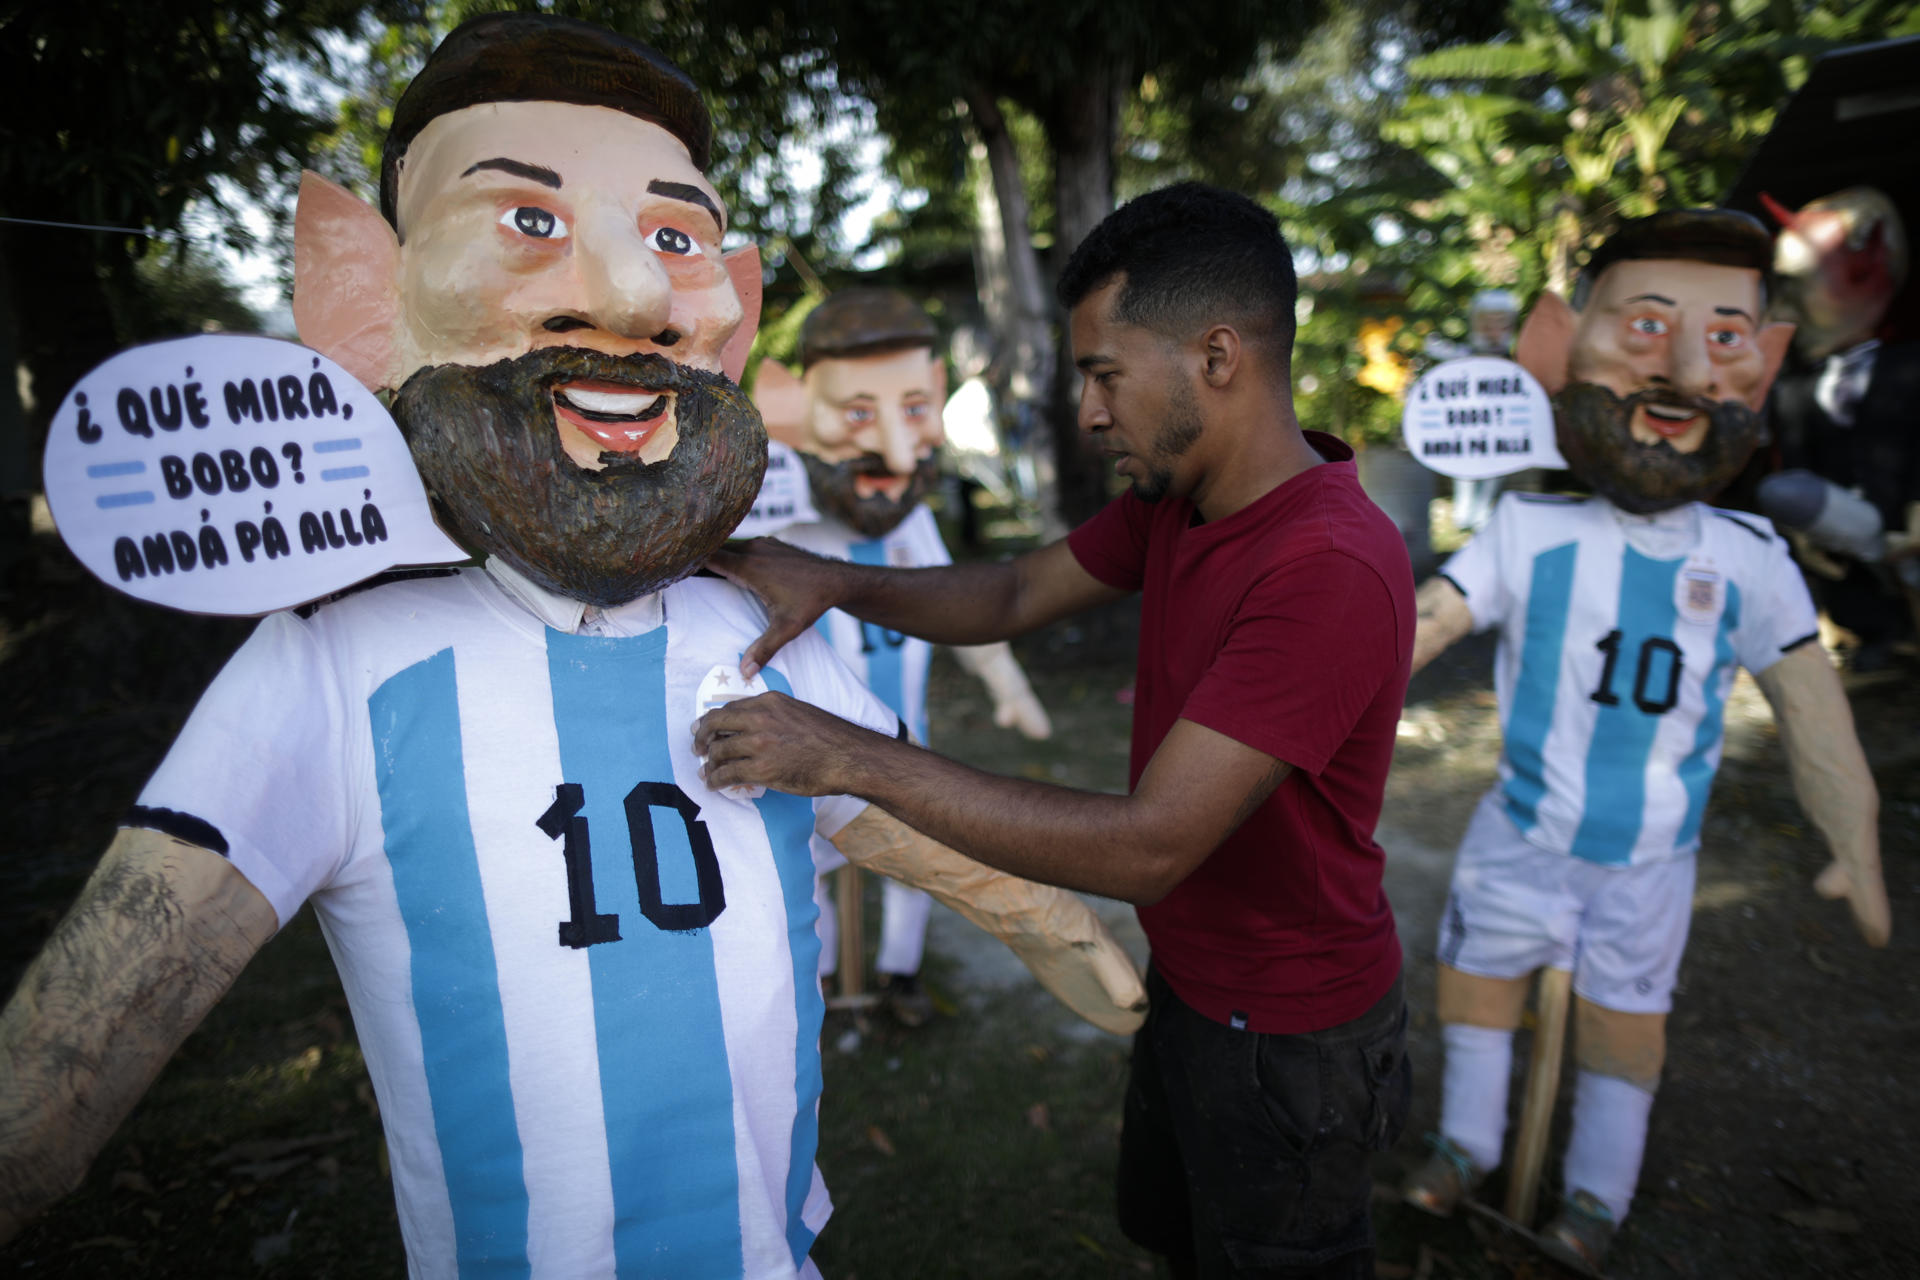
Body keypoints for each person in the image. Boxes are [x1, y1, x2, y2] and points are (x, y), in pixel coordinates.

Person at [0, 14, 1146, 1276]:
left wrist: (1061, 926)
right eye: (530, 220)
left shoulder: (755, 625)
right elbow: (67, 1066)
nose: (636, 295)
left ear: (733, 312)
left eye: (676, 238)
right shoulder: (330, 667)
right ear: (358, 295)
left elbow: (906, 811)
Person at [694, 182, 1415, 1279]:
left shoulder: (1326, 564)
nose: (1086, 411)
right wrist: (836, 578)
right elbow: (1015, 593)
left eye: (1103, 374)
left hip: (1291, 1032)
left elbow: (1151, 844)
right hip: (1193, 981)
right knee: (1181, 1239)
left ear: (1216, 356)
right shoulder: (1185, 498)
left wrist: (845, 753)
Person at [1396, 209, 1892, 1270]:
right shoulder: (1526, 531)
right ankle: (1466, 1142)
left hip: (1650, 864)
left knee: (1628, 1027)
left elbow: (1811, 704)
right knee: (1476, 983)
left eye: (1722, 338)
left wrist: (1854, 834)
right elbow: (1425, 621)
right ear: (1554, 347)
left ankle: (1595, 1194)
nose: (1676, 368)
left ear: (1761, 368)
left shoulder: (1755, 559)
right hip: (1517, 832)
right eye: (1644, 325)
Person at [751, 288, 1052, 1025]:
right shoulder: (782, 518)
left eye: (913, 409)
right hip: (811, 747)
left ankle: (899, 972)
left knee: (917, 855)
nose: (889, 447)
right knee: (809, 861)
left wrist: (1003, 678)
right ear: (787, 405)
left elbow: (961, 600)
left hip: (903, 736)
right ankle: (821, 985)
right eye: (858, 413)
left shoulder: (909, 518)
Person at [1760, 187, 1920, 668]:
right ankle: (1870, 630)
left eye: (1797, 282)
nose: (1786, 301)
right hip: (1849, 538)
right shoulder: (1795, 387)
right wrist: (1804, 532)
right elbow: (1794, 464)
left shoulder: (1910, 368)